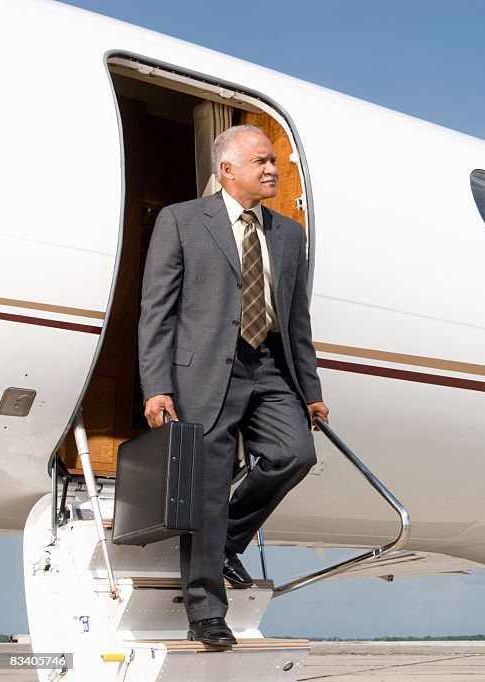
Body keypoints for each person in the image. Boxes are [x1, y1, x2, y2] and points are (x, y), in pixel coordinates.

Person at [138, 124, 329, 646]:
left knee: (295, 454)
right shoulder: (180, 221)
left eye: (273, 161)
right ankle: (205, 613)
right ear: (227, 170)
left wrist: (310, 390)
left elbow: (297, 320)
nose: (272, 170)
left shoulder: (290, 235)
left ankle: (224, 538)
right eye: (262, 161)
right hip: (201, 371)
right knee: (206, 483)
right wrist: (157, 385)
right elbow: (157, 310)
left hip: (269, 365)